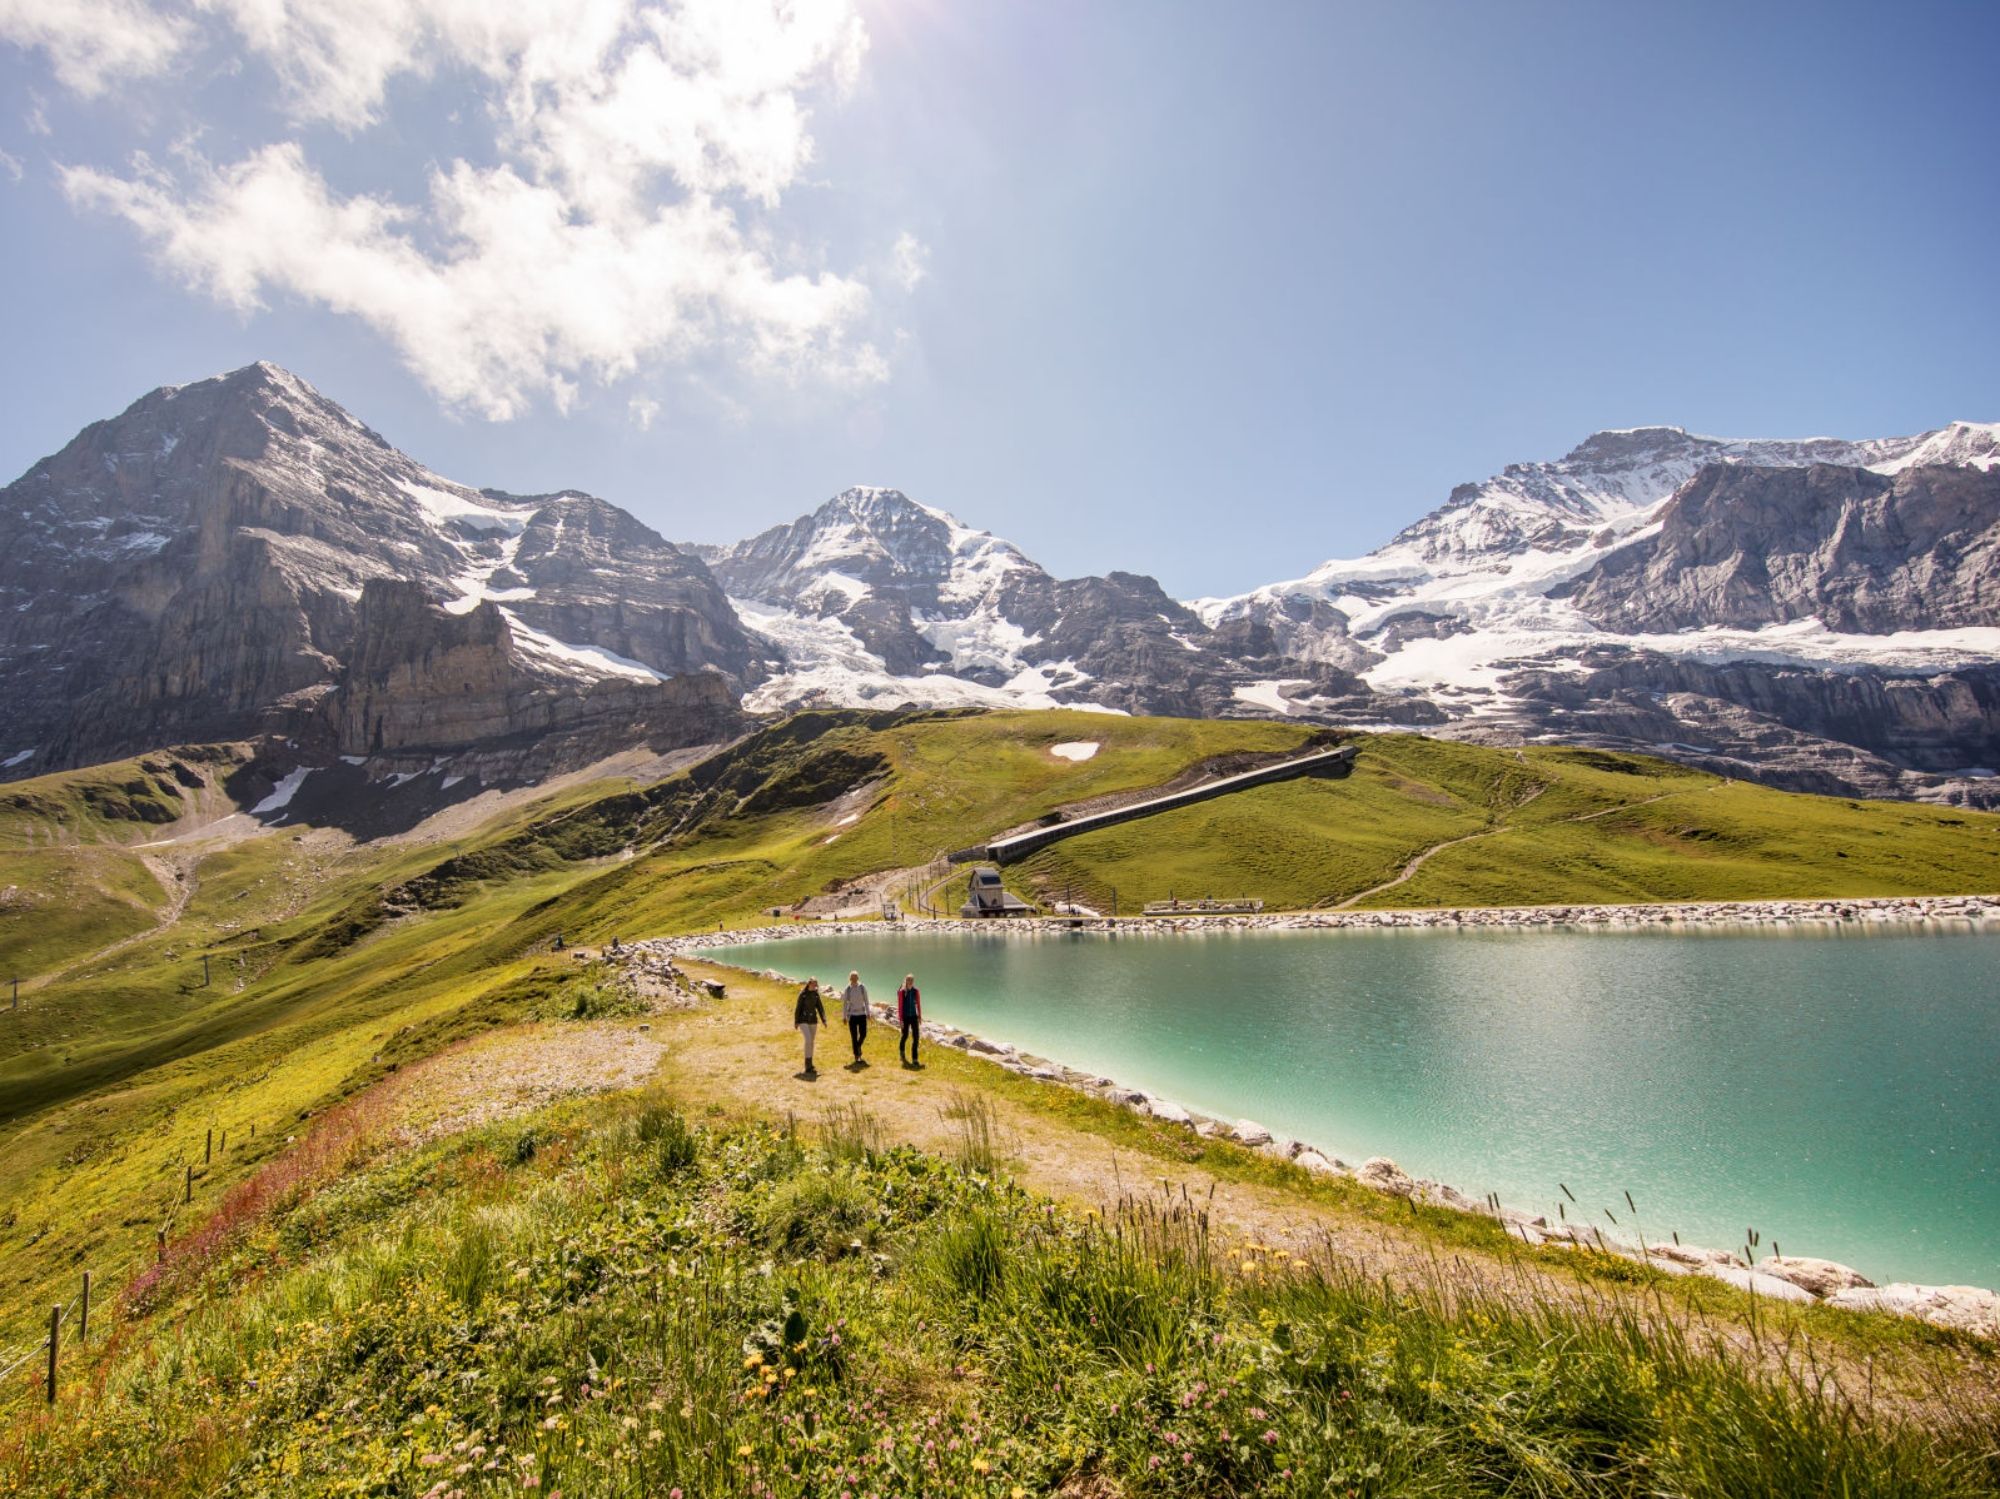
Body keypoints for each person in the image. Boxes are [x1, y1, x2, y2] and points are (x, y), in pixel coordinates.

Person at [794, 977, 827, 1075]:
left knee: (811, 1042)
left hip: (813, 1020)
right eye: (813, 984)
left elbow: (820, 1008)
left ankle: (810, 1065)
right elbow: (798, 1008)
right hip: (803, 1020)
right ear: (809, 984)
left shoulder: (816, 995)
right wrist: (796, 1021)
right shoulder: (802, 994)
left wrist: (824, 1020)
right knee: (808, 1040)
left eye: (816, 984)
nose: (815, 986)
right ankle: (807, 1065)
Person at [841, 970, 870, 1064]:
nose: (854, 979)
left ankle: (858, 1046)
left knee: (863, 1034)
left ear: (858, 978)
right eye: (852, 977)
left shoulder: (862, 987)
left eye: (855, 977)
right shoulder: (848, 989)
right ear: (850, 978)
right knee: (854, 1036)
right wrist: (844, 1016)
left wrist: (868, 1013)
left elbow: (866, 1000)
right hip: (852, 1016)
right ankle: (857, 1056)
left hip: (862, 1014)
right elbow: (845, 1003)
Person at [896, 972, 922, 1067]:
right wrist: (901, 1020)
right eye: (908, 980)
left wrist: (919, 1016)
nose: (910, 982)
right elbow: (900, 1006)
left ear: (913, 981)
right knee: (905, 1035)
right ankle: (902, 1051)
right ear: (906, 981)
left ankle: (915, 1059)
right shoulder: (902, 992)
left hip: (914, 1017)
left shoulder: (916, 991)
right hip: (905, 1017)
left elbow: (918, 1004)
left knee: (916, 1038)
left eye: (911, 980)